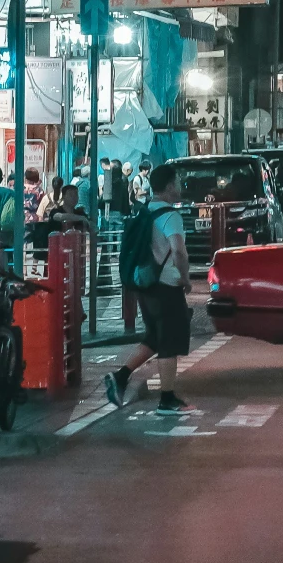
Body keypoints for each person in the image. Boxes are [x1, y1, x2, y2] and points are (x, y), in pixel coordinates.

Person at [104, 160, 193, 416]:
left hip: (146, 284)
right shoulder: (170, 215)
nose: (180, 187)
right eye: (177, 182)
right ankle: (166, 399)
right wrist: (185, 278)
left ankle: (120, 377)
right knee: (169, 341)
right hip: (166, 286)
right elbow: (178, 251)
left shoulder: (146, 211)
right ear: (168, 186)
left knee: (154, 336)